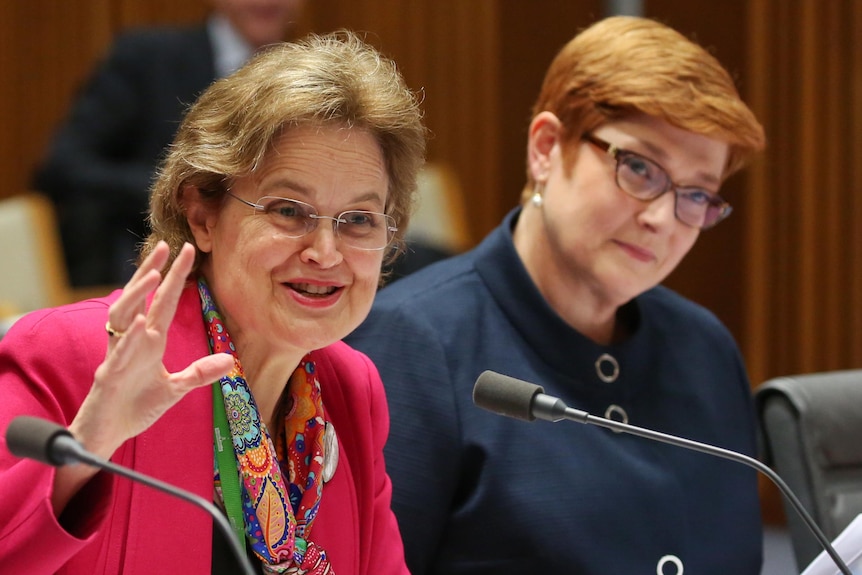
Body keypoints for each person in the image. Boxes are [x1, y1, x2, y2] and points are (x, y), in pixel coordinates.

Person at [345, 15, 767, 575]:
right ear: (546, 148)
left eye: (697, 194)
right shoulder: (411, 347)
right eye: (640, 168)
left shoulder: (705, 348)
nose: (663, 218)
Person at [0, 30, 426, 575]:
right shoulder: (77, 355)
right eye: (288, 210)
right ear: (203, 216)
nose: (325, 252)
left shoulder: (350, 389)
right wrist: (88, 449)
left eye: (359, 220)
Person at [33, 0, 305, 287]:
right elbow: (63, 166)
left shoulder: (306, 76)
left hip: (278, 266)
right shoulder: (148, 58)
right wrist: (177, 190)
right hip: (150, 264)